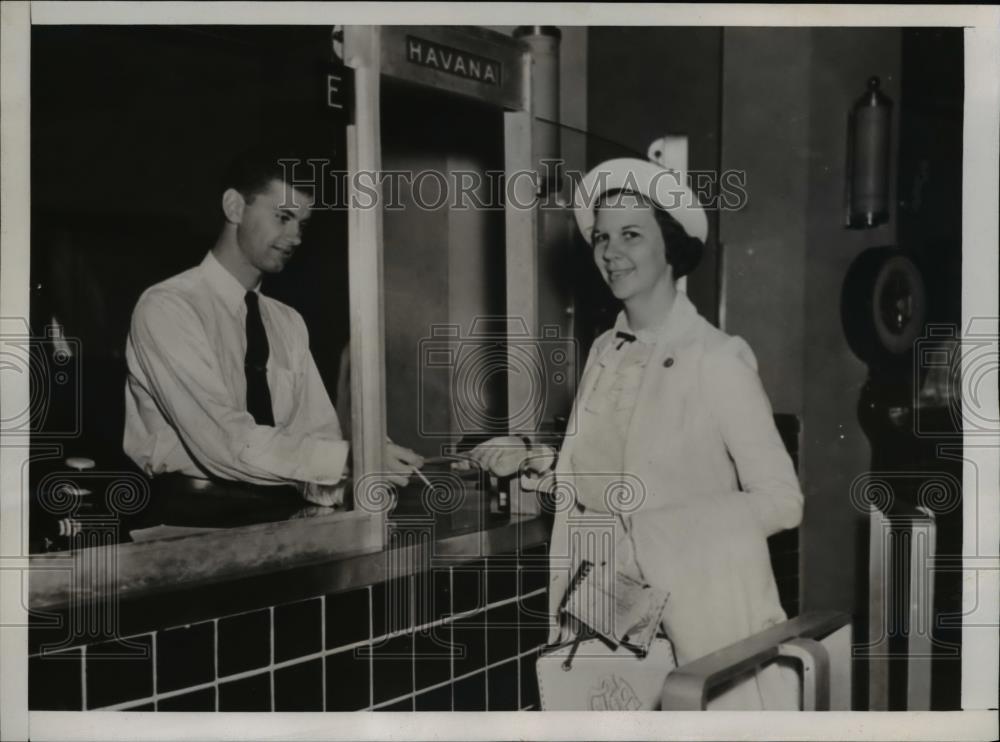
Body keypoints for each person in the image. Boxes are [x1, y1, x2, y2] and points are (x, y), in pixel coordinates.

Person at [470, 158, 804, 710]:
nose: (609, 251)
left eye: (631, 234)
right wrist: (537, 460)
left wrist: (656, 534)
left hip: (690, 623)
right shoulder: (605, 350)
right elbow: (612, 473)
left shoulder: (717, 358)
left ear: (669, 246)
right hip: (600, 614)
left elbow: (782, 502)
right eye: (601, 237)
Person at [124, 148, 421, 513]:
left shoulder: (287, 323)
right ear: (234, 207)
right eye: (283, 217)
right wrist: (352, 458)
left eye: (302, 223)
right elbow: (225, 444)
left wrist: (354, 487)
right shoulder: (168, 308)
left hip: (282, 518)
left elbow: (313, 443)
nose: (295, 237)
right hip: (186, 523)